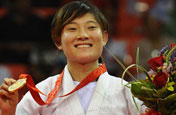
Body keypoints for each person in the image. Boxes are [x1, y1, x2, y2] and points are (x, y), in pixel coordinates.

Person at [0, 1, 143, 115]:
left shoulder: (127, 92)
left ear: (104, 37)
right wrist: (8, 112)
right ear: (58, 41)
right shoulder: (42, 93)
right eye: (72, 29)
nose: (83, 35)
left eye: (91, 27)